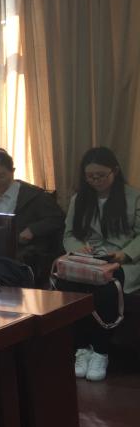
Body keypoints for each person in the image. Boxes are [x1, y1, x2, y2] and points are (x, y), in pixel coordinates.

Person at [62, 147, 140, 383]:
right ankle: (81, 349)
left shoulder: (133, 197)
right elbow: (69, 234)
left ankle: (100, 351)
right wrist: (77, 248)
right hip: (88, 260)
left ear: (114, 171)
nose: (96, 181)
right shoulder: (79, 198)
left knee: (105, 288)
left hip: (121, 261)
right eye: (90, 177)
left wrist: (125, 254)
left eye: (101, 175)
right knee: (69, 286)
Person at [0, 149, 65, 282]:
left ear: (12, 171)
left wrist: (33, 229)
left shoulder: (34, 196)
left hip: (26, 256)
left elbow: (57, 219)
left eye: (1, 176)